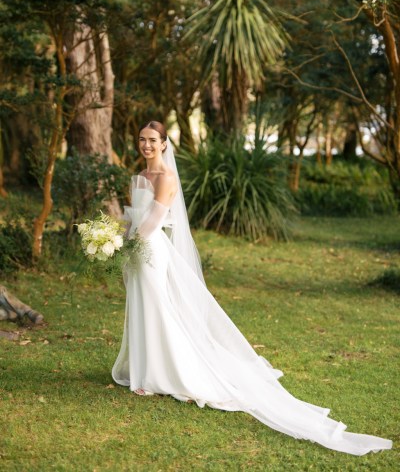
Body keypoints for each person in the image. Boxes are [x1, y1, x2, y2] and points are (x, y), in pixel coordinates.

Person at [112, 121, 392, 456]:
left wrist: (131, 243)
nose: (146, 145)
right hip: (134, 249)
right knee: (141, 307)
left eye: (152, 140)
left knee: (159, 308)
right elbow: (133, 216)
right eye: (142, 140)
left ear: (164, 143)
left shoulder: (167, 178)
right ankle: (145, 373)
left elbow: (154, 221)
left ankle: (173, 374)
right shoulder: (138, 176)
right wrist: (117, 240)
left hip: (152, 250)